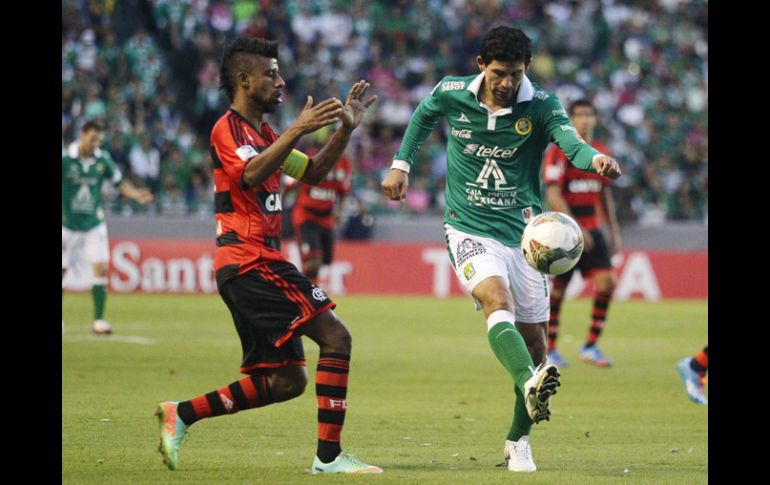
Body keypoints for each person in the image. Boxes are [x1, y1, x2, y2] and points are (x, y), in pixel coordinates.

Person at [381, 26, 621, 473]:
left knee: (536, 347)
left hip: (526, 237)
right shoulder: (452, 92)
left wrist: (596, 160)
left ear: (526, 68)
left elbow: (571, 144)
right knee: (497, 300)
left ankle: (517, 440)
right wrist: (401, 165)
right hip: (467, 228)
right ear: (481, 66)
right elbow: (422, 115)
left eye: (515, 73)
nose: (507, 82)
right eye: (498, 73)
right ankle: (530, 382)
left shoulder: (543, 104)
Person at [154, 37, 380, 474]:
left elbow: (312, 172)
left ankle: (180, 414)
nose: (281, 82)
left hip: (254, 264)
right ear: (244, 80)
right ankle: (329, 458)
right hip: (249, 260)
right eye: (271, 74)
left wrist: (345, 130)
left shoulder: (265, 135)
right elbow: (250, 173)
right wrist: (298, 128)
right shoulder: (228, 129)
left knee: (287, 381)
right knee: (337, 337)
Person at [542, 99, 622, 368]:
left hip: (593, 227)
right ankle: (550, 349)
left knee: (607, 283)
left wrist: (613, 231)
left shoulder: (601, 153)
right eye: (580, 115)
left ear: (595, 119)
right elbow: (554, 194)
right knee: (558, 292)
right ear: (571, 119)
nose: (585, 120)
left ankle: (590, 346)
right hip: (564, 231)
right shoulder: (559, 151)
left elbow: (604, 195)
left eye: (589, 115)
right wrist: (575, 228)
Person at [62, 120, 154, 335]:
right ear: (82, 135)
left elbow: (119, 183)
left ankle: (99, 321)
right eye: (92, 139)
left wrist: (136, 195)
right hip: (67, 224)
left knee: (101, 267)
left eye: (99, 141)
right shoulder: (66, 159)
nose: (95, 144)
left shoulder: (103, 159)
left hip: (94, 223)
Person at [284, 143, 352, 284]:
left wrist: (339, 210)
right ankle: (308, 292)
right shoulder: (312, 157)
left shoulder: (345, 163)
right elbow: (290, 184)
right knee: (313, 263)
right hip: (306, 216)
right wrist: (278, 205)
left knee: (325, 263)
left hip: (326, 219)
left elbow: (344, 191)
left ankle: (310, 289)